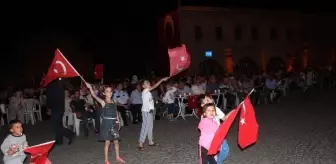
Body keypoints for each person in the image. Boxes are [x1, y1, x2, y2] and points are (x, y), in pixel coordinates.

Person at [86, 83, 125, 164]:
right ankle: (106, 160)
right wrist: (90, 88)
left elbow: (116, 112)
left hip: (114, 123)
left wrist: (119, 121)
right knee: (107, 142)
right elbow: (94, 96)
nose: (109, 93)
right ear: (104, 93)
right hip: (106, 124)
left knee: (116, 141)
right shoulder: (103, 102)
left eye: (110, 91)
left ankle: (117, 157)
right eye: (107, 91)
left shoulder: (114, 101)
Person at [138, 77, 169, 151]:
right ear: (143, 86)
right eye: (146, 83)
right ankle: (140, 143)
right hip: (146, 111)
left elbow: (149, 101)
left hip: (150, 111)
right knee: (145, 127)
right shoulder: (145, 91)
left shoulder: (148, 92)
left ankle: (150, 141)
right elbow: (154, 86)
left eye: (148, 82)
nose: (148, 83)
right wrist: (161, 80)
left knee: (150, 126)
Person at [198, 94, 231, 163]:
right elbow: (202, 129)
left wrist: (233, 111)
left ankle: (218, 162)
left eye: (210, 99)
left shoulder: (216, 109)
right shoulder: (203, 117)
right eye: (207, 100)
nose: (211, 100)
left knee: (225, 149)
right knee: (208, 158)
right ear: (202, 105)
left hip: (219, 135)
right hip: (208, 141)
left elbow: (224, 118)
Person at [46, 79, 74, 145]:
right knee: (59, 125)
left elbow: (50, 98)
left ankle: (70, 134)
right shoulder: (60, 85)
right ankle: (59, 141)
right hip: (61, 108)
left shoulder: (51, 86)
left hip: (55, 108)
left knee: (55, 127)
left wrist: (49, 108)